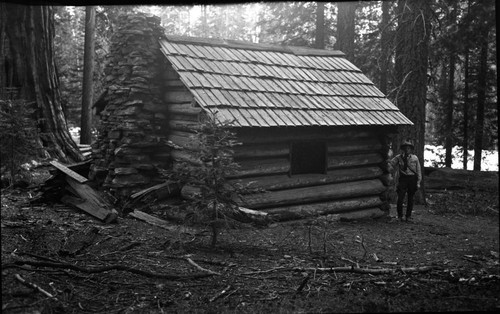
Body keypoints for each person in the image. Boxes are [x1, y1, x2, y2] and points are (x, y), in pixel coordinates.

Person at [390, 139, 422, 222]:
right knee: (400, 198)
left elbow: (418, 171)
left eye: (408, 148)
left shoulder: (415, 158)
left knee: (410, 199)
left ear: (411, 149)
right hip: (403, 179)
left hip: (412, 179)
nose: (407, 149)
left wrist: (418, 182)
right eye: (405, 148)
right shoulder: (398, 158)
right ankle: (400, 216)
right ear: (402, 149)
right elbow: (391, 164)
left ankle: (408, 216)